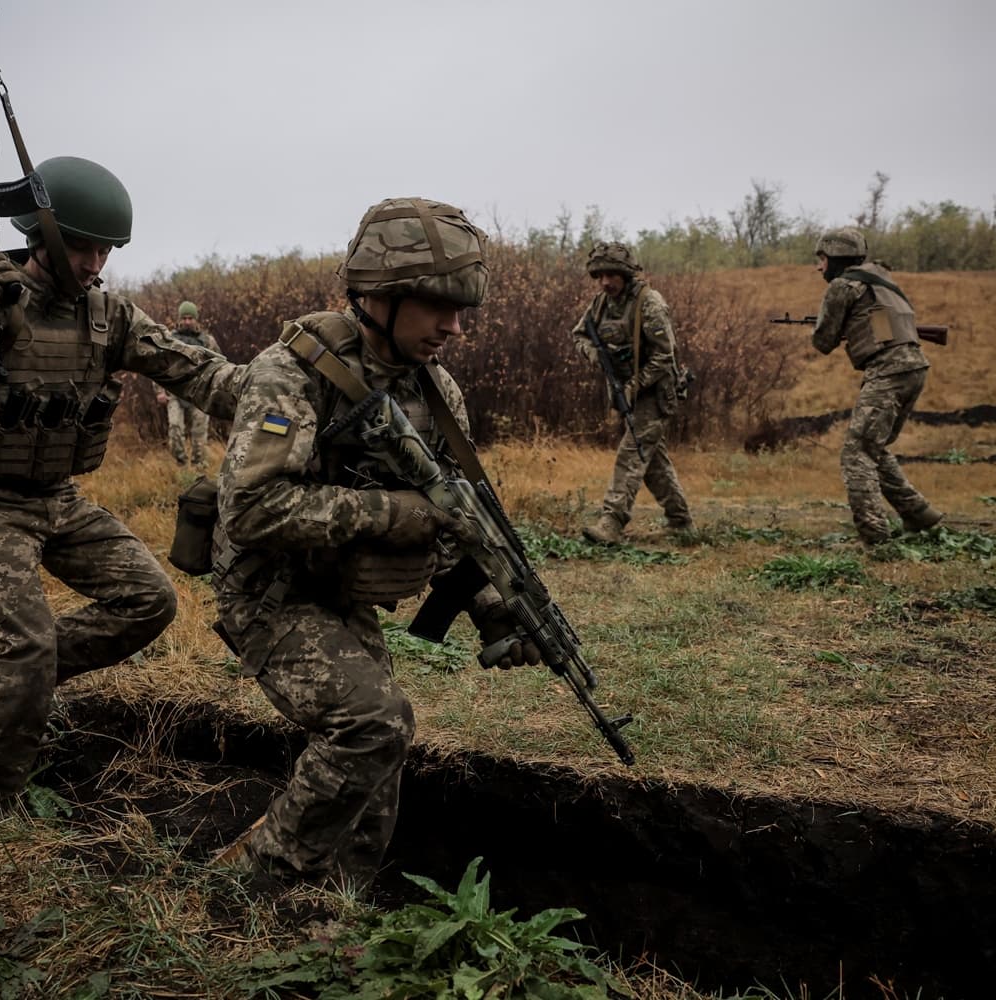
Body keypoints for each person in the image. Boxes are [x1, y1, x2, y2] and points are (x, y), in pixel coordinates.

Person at [210, 197, 538, 890]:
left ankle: (341, 899)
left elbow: (451, 516)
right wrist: (396, 514)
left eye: (461, 310)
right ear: (379, 296)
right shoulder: (289, 373)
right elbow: (252, 508)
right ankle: (253, 887)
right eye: (436, 307)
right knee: (371, 724)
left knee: (385, 741)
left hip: (340, 593)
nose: (453, 327)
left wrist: (490, 601)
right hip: (270, 592)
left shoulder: (436, 390)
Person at [0, 155, 243, 817]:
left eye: (105, 250)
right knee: (26, 648)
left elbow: (195, 370)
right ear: (40, 236)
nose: (94, 264)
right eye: (82, 247)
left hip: (55, 497)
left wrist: (282, 395)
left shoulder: (107, 314)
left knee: (149, 599)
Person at [810, 227, 942, 544]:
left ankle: (875, 538)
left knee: (856, 455)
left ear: (837, 258)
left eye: (822, 259)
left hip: (889, 373)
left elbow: (823, 342)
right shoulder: (879, 284)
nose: (819, 267)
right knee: (874, 448)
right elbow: (881, 330)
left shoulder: (842, 286)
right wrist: (855, 329)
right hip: (914, 368)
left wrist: (832, 326)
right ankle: (918, 514)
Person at [570, 241, 692, 544]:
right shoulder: (600, 304)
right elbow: (579, 335)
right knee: (649, 459)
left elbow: (665, 355)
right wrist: (597, 356)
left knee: (630, 454)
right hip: (627, 392)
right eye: (600, 276)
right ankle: (681, 521)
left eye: (611, 275)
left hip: (654, 392)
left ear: (625, 274)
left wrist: (634, 385)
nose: (605, 282)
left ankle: (611, 521)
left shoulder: (649, 303)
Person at [155, 300, 225, 464]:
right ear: (179, 319)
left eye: (190, 318)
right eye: (184, 318)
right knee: (175, 428)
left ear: (196, 319)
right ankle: (180, 464)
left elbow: (220, 365)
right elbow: (158, 364)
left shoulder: (208, 341)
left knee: (199, 432)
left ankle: (199, 465)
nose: (187, 321)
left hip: (199, 391)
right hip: (175, 390)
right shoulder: (170, 339)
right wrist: (159, 391)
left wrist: (214, 389)